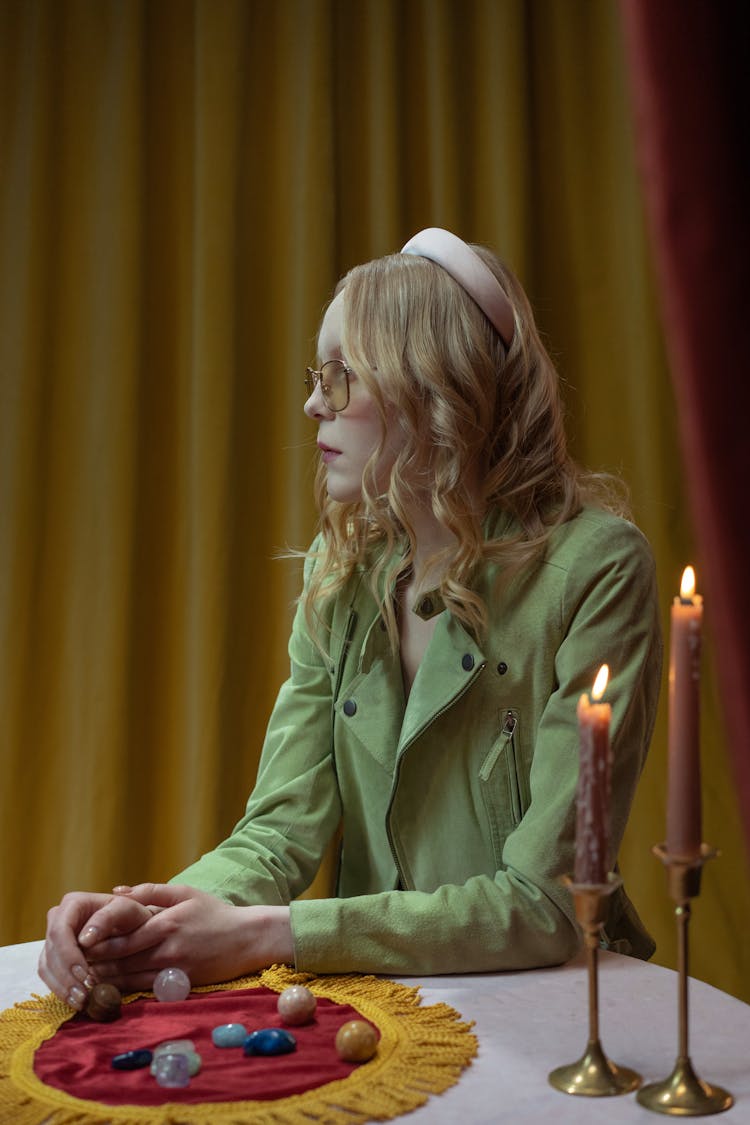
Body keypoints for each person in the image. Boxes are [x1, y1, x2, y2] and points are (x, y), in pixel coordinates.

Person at [39, 228, 662, 1010]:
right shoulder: (341, 581)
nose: (311, 403)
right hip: (381, 1007)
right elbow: (277, 833)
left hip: (568, 1011)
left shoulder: (598, 570)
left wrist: (277, 934)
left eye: (338, 378)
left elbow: (545, 907)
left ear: (433, 387)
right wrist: (148, 918)